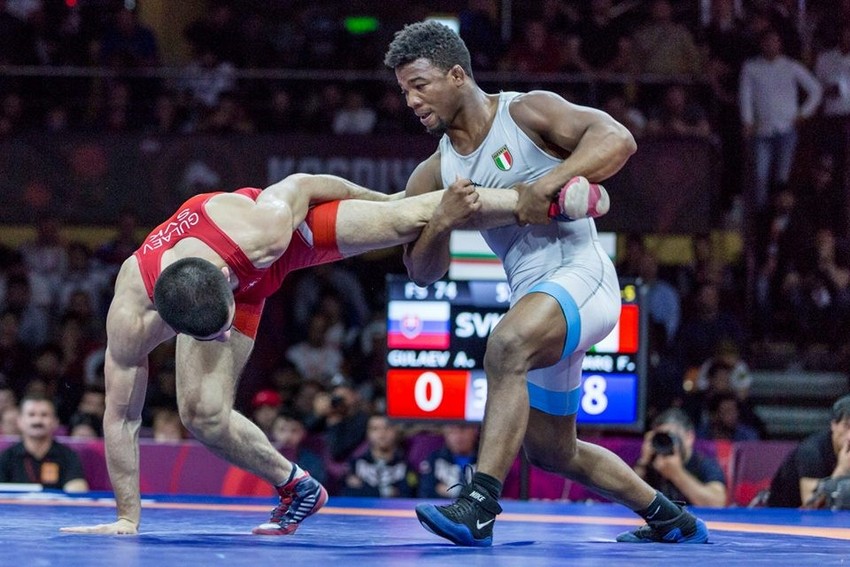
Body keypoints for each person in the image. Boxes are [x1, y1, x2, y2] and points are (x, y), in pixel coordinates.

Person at [384, 20, 708, 546]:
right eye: (403, 91)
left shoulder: (524, 112)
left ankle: (481, 503)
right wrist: (441, 223)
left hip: (583, 277)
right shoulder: (433, 173)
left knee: (506, 344)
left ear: (457, 74)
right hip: (539, 301)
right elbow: (422, 272)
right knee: (554, 451)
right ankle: (670, 517)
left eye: (419, 85)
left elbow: (618, 140)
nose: (410, 100)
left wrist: (547, 182)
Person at [59, 171, 520, 536]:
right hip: (222, 286)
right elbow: (121, 419)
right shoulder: (130, 317)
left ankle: (537, 198)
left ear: (223, 275)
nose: (224, 338)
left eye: (222, 328)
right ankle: (296, 484)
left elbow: (307, 182)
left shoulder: (261, 228)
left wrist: (381, 201)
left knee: (409, 217)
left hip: (271, 254)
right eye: (212, 335)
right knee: (202, 416)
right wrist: (127, 516)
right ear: (167, 322)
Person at [767, 394, 850, 509]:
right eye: (846, 426)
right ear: (833, 425)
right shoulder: (811, 451)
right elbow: (810, 503)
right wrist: (841, 470)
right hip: (784, 516)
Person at [634, 408, 728, 507]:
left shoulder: (705, 464)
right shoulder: (651, 463)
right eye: (661, 438)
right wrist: (643, 461)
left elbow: (717, 503)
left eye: (670, 437)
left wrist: (677, 474)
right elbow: (625, 500)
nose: (667, 442)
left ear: (689, 437)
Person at [0, 394, 89, 492]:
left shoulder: (68, 456)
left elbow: (77, 491)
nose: (38, 420)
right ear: (19, 421)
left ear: (55, 422)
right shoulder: (6, 457)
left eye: (44, 415)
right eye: (31, 414)